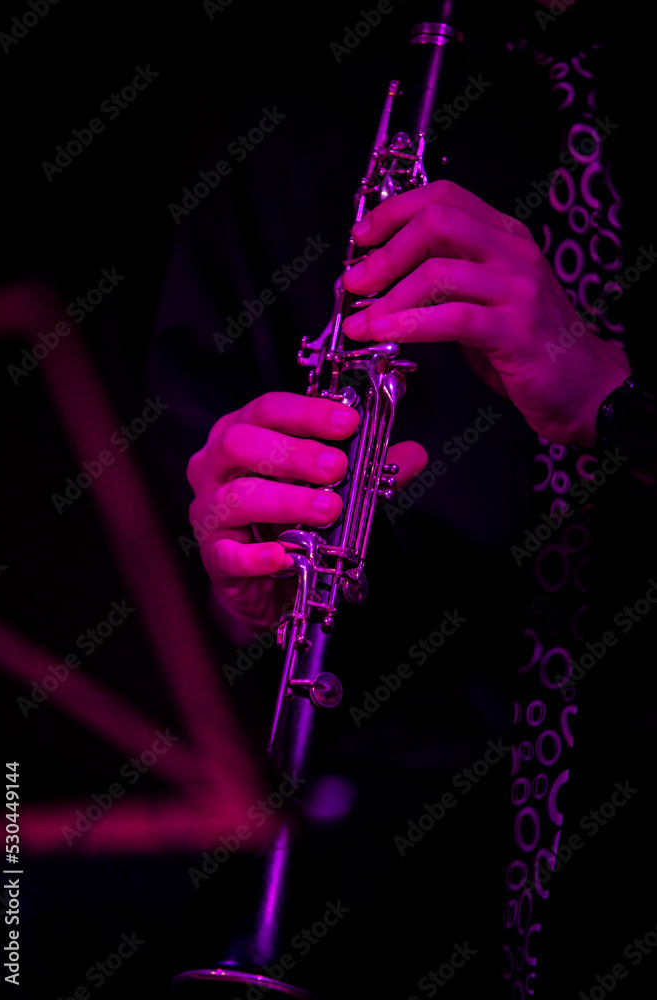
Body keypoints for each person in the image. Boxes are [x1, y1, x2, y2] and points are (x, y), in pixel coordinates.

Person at [151, 0, 657, 994]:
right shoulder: (293, 116)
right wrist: (239, 587)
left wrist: (612, 398)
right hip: (374, 917)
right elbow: (150, 607)